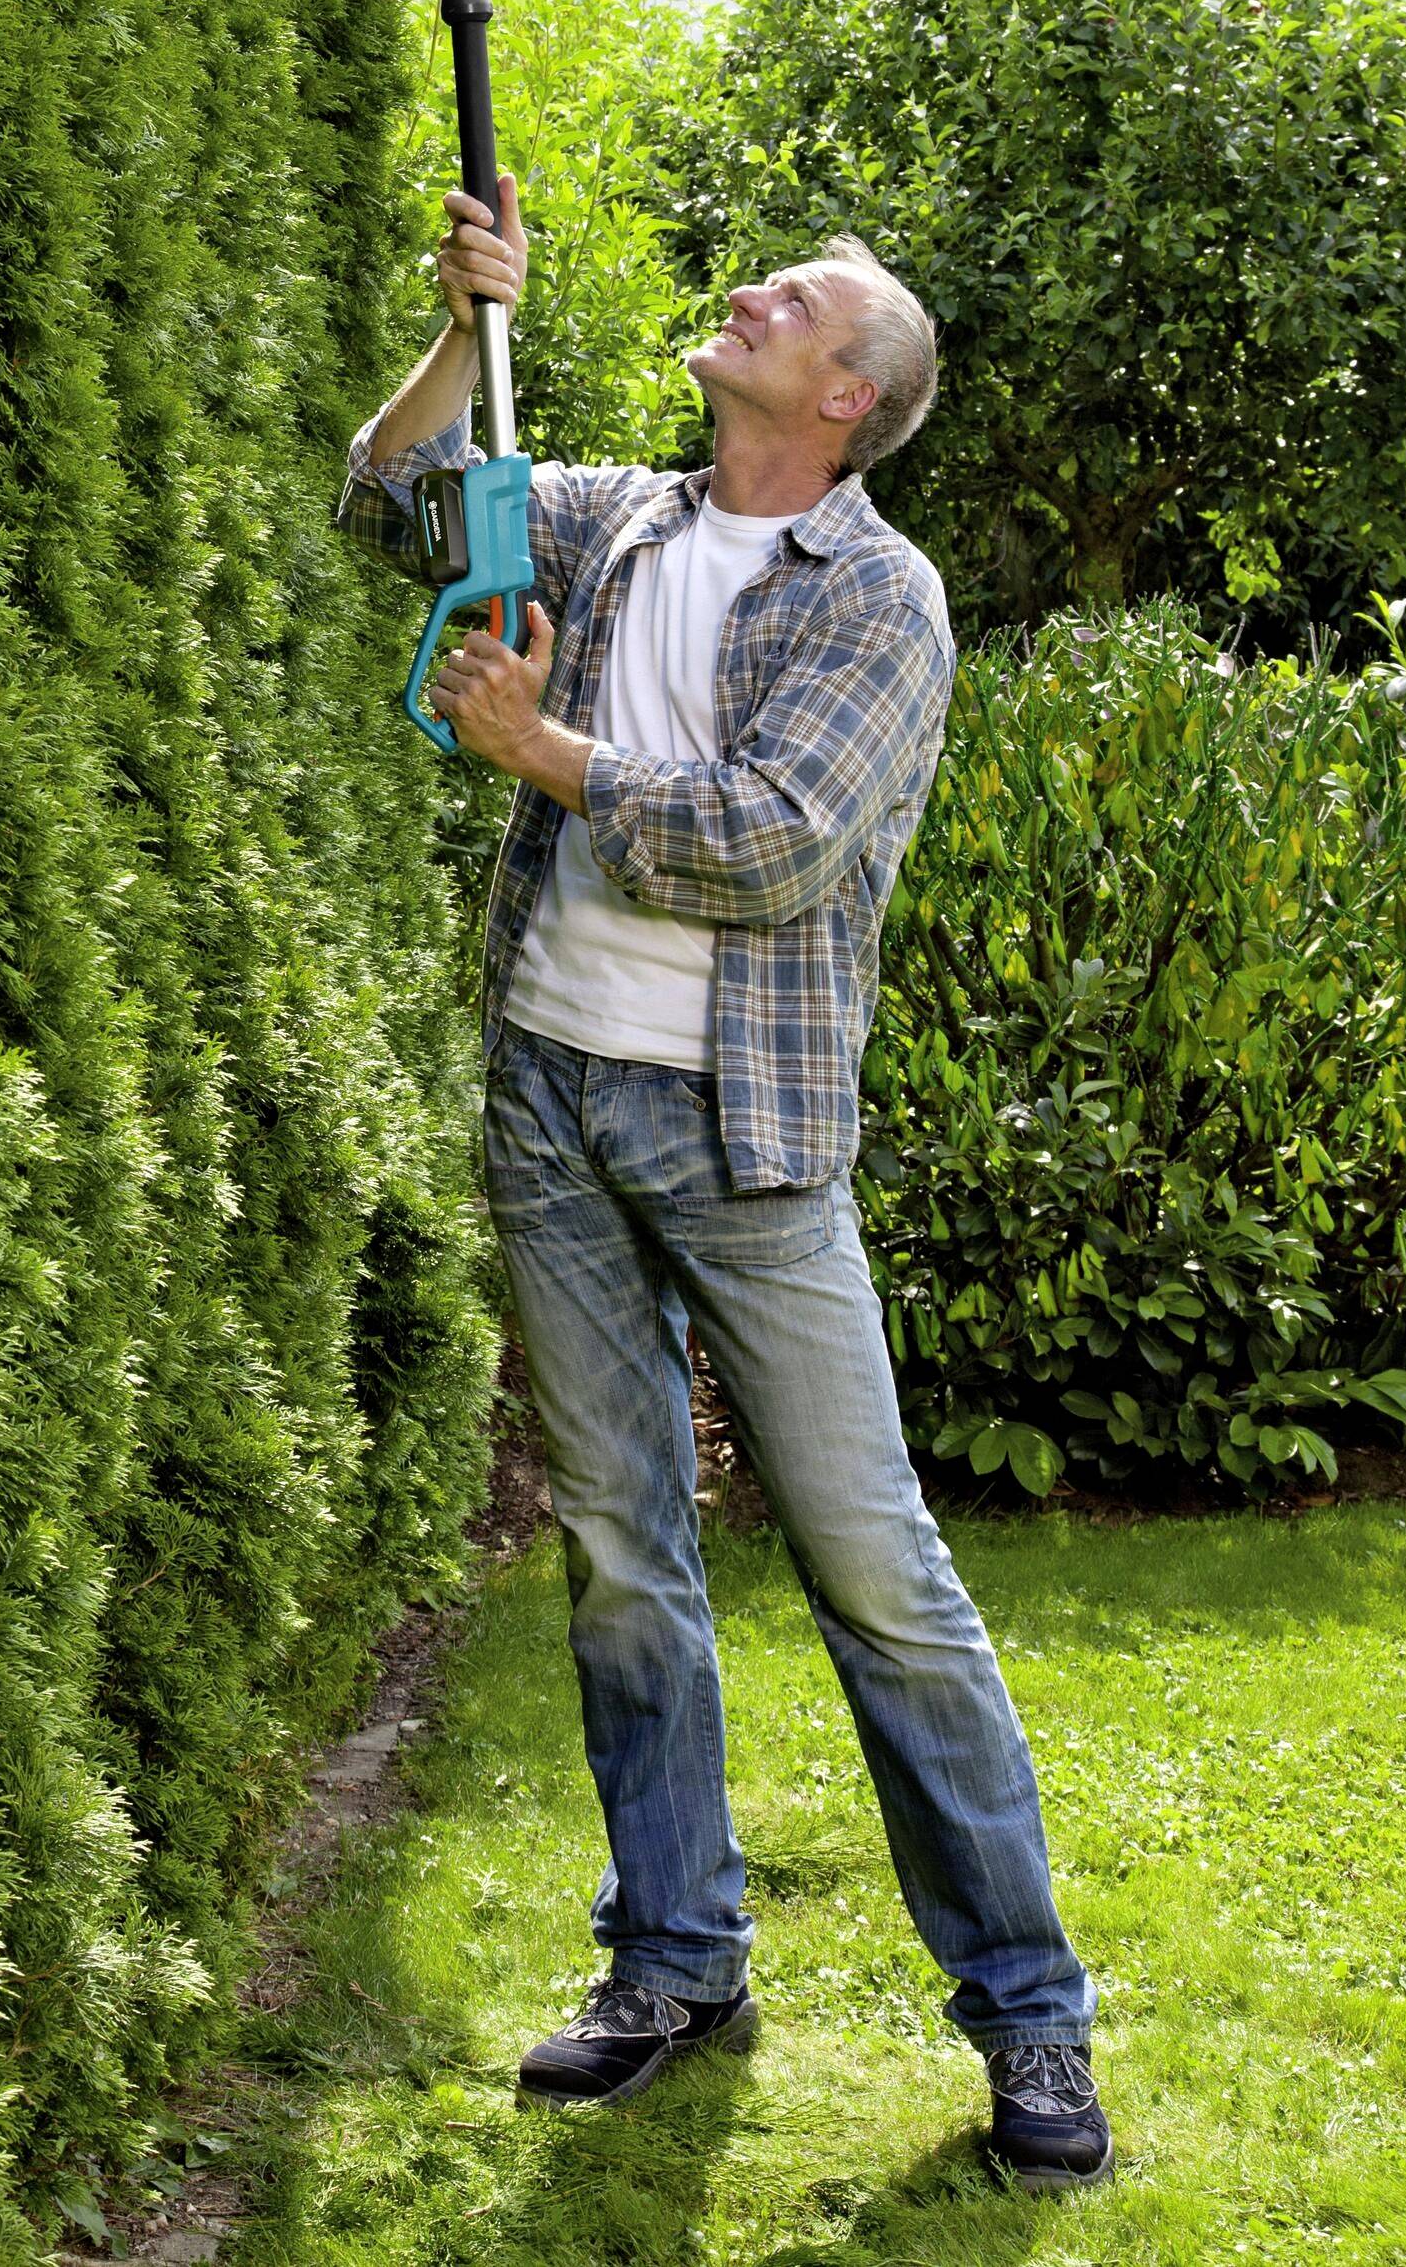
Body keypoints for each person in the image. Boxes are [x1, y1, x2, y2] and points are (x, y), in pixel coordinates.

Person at [336, 173, 1109, 2194]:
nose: (753, 291)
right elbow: (389, 495)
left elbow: (772, 842)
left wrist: (555, 759)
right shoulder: (619, 518)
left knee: (878, 1576)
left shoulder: (877, 597)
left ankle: (1029, 2015)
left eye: (800, 300)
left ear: (849, 394)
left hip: (746, 1139)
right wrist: (460, 321)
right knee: (619, 1549)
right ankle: (676, 1960)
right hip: (556, 1099)